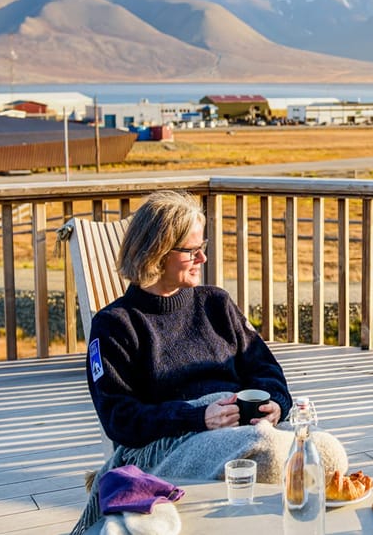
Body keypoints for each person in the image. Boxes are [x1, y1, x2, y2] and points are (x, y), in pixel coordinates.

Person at [73, 190, 346, 534]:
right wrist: (197, 416)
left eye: (203, 247)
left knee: (327, 453)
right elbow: (119, 419)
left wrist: (274, 403)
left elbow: (265, 369)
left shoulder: (215, 303)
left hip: (242, 430)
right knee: (268, 452)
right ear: (156, 253)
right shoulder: (115, 325)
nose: (203, 257)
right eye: (191, 250)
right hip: (170, 441)